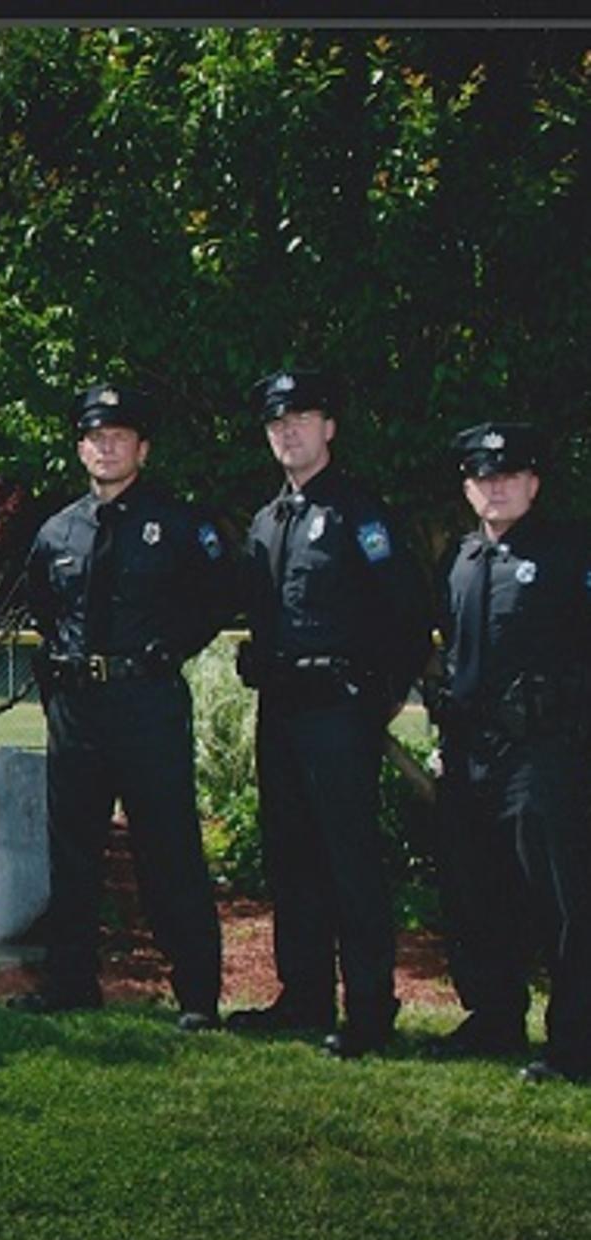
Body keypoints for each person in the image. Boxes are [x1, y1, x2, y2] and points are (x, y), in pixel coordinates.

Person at [222, 370, 432, 1058]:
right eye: (278, 423)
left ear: (329, 428)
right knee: (292, 858)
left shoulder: (360, 516)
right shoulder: (265, 520)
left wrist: (380, 698)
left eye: (303, 419)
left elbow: (408, 613)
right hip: (281, 712)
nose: (290, 431)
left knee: (351, 862)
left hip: (339, 715)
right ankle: (304, 996)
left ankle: (369, 1009)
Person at [10, 383, 229, 1026]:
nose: (107, 447)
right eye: (96, 437)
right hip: (78, 709)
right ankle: (70, 982)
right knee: (72, 850)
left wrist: (170, 649)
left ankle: (197, 995)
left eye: (120, 437)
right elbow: (44, 608)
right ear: (81, 448)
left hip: (146, 705)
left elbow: (216, 599)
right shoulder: (58, 531)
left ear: (143, 448)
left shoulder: (180, 523)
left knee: (168, 849)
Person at [427, 422, 591, 1083]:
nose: (496, 489)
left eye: (509, 477)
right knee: (476, 892)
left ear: (533, 483)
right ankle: (493, 1016)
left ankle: (574, 1041)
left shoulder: (569, 553)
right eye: (483, 478)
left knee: (557, 900)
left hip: (542, 751)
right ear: (468, 489)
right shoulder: (461, 560)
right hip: (471, 753)